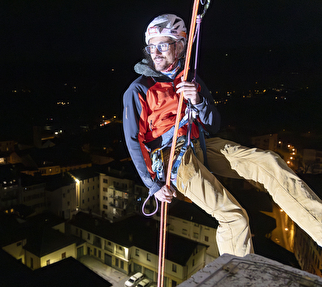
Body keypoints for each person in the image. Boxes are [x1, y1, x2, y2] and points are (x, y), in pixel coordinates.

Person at [122, 13, 322, 257]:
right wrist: (153, 185)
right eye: (151, 47)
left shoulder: (191, 81)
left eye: (162, 45)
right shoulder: (139, 89)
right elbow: (134, 140)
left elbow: (213, 124)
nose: (156, 52)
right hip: (170, 156)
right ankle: (234, 275)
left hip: (201, 144)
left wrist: (197, 99)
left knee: (270, 162)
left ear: (181, 46)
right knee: (233, 217)